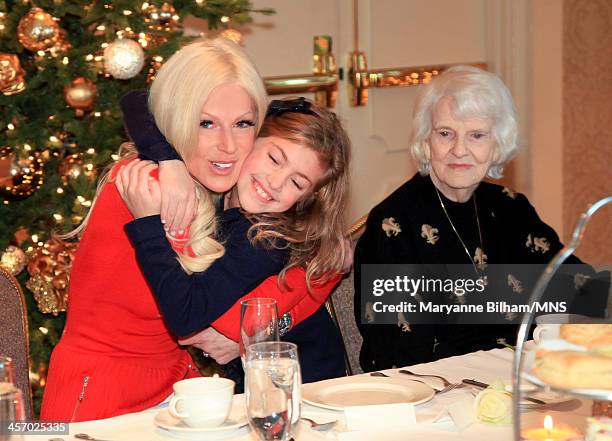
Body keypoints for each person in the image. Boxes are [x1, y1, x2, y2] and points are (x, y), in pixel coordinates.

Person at [40, 38, 343, 422]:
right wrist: (248, 328)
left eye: (243, 124)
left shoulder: (223, 186)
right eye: (206, 123)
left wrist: (251, 329)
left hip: (176, 390)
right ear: (179, 118)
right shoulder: (152, 188)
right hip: (102, 396)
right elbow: (203, 320)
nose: (228, 146)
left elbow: (327, 261)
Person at [354, 65, 608, 372]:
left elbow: (575, 286)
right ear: (425, 141)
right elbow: (404, 353)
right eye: (445, 133)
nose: (459, 150)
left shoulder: (510, 208)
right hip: (431, 392)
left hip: (514, 384)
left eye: (476, 135)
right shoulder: (393, 225)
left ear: (497, 144)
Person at [116, 96, 351, 391]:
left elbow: (185, 317)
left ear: (306, 199)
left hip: (300, 391)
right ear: (249, 140)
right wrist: (170, 162)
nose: (276, 182)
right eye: (275, 158)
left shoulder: (265, 238)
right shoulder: (218, 194)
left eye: (297, 183)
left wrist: (147, 225)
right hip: (254, 386)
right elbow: (136, 101)